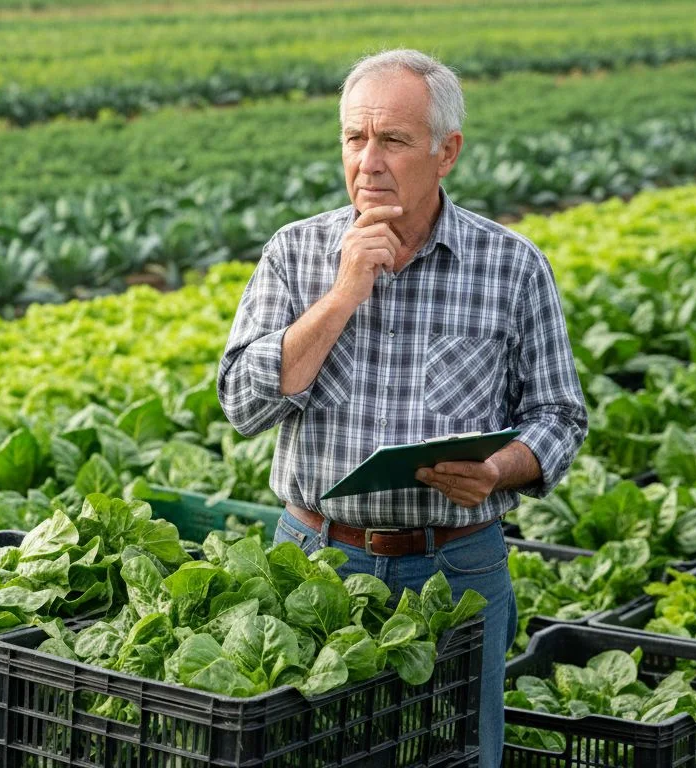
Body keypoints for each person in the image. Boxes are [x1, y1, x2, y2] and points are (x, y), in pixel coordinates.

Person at [216, 48, 587, 767]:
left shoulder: (511, 265)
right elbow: (240, 403)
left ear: (446, 152)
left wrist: (504, 468)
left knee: (454, 756)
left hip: (456, 567)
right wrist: (343, 294)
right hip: (315, 565)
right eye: (355, 138)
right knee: (311, 756)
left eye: (393, 140)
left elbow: (560, 415)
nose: (369, 161)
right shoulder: (296, 255)